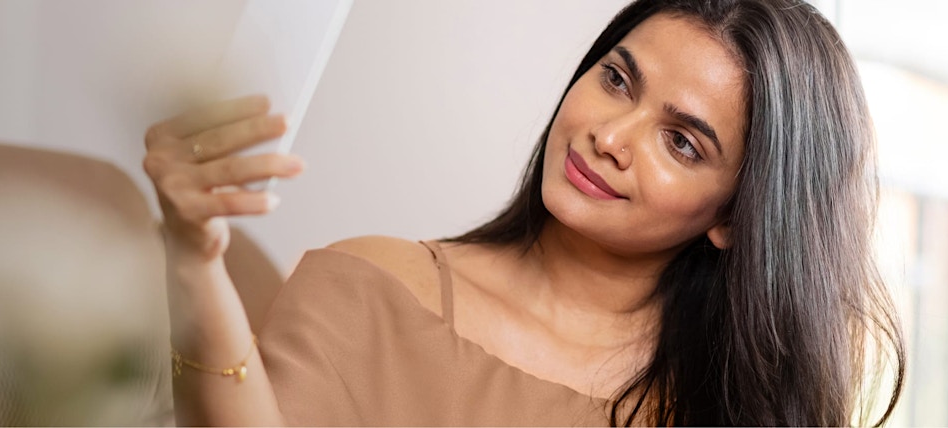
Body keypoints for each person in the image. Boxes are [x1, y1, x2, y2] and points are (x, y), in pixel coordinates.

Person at [141, 0, 906, 425]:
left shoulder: (732, 410)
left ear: (735, 218)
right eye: (616, 80)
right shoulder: (369, 288)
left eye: (680, 141)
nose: (610, 137)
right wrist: (192, 256)